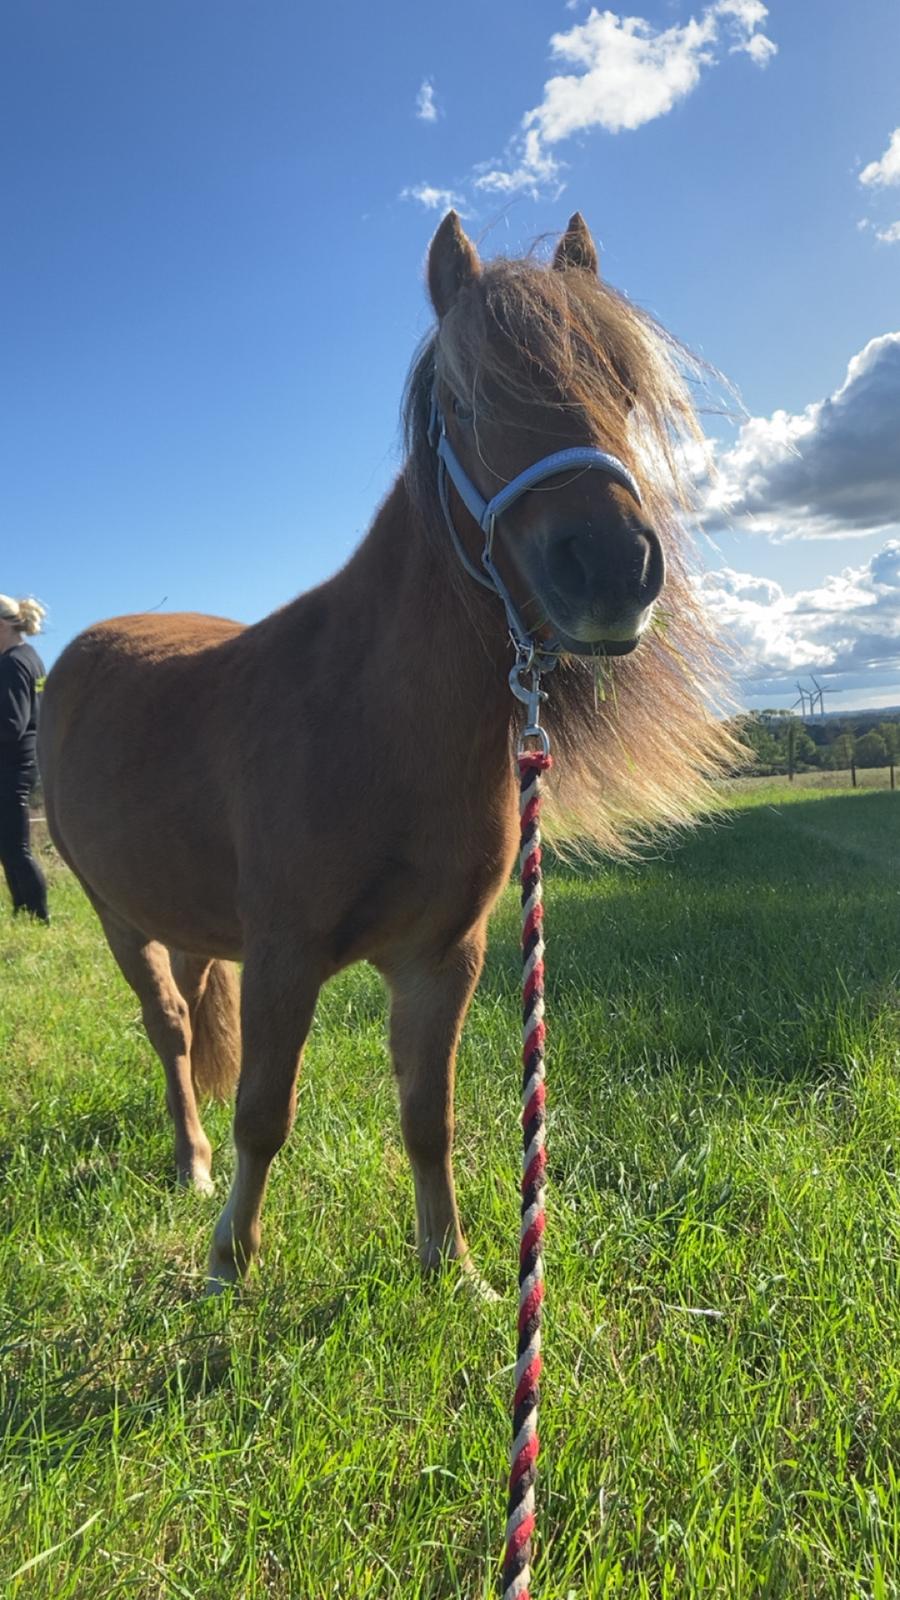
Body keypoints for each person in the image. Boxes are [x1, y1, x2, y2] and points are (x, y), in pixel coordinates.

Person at [0, 594, 50, 922]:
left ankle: (37, 915)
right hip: (25, 762)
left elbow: (11, 724)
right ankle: (25, 911)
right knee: (11, 846)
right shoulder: (30, 658)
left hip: (11, 766)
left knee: (15, 848)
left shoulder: (12, 663)